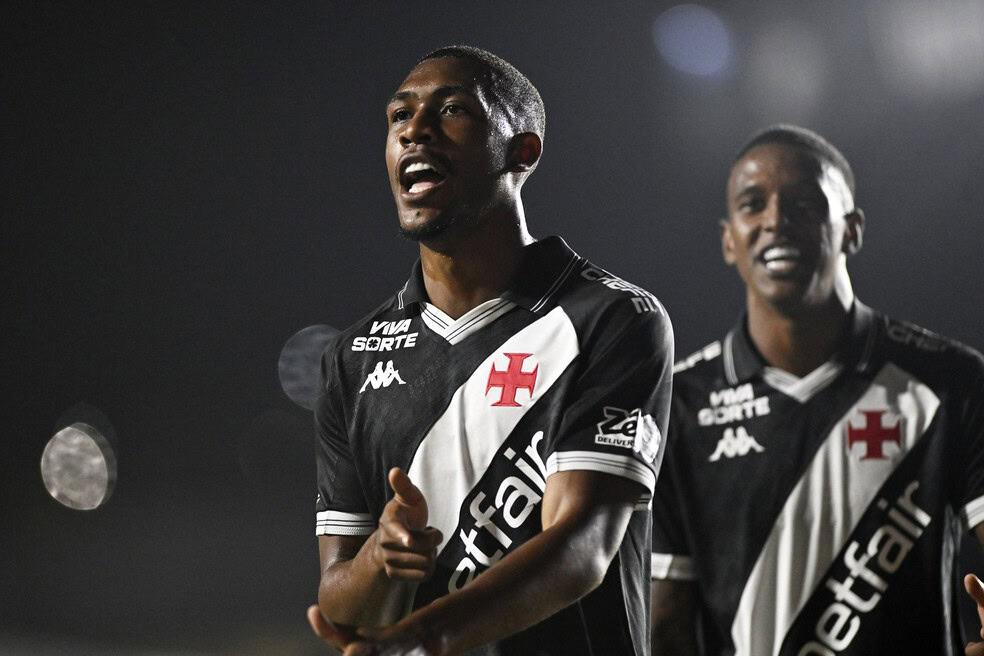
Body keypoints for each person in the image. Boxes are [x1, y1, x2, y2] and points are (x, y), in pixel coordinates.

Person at [306, 45, 673, 656]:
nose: (415, 130)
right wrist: (378, 558)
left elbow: (581, 549)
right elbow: (338, 602)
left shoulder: (611, 318)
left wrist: (421, 640)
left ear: (521, 151)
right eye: (399, 116)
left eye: (451, 110)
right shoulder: (353, 359)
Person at [649, 124, 984, 655]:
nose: (776, 220)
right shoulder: (678, 406)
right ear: (728, 239)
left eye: (805, 203)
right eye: (753, 204)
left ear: (852, 229)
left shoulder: (952, 381)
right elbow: (667, 626)